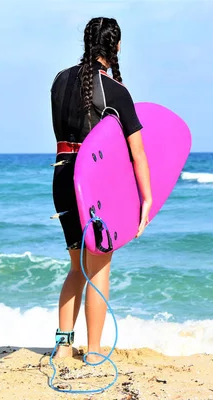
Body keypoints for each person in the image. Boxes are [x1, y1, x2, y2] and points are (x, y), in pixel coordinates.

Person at [49, 17, 152, 363]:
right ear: (117, 46)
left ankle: (63, 346)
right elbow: (138, 155)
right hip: (94, 185)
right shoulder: (116, 92)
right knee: (99, 268)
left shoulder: (59, 82)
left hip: (62, 180)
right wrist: (147, 200)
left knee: (77, 266)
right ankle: (93, 352)